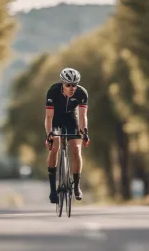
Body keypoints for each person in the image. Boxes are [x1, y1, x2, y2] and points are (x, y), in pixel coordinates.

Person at [45, 67, 90, 204]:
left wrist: (85, 132)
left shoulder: (82, 93)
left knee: (76, 149)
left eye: (74, 85)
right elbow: (48, 117)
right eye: (68, 85)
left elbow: (83, 116)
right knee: (55, 147)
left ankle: (76, 186)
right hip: (55, 119)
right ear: (62, 84)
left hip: (72, 118)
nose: (71, 88)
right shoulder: (53, 91)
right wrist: (49, 135)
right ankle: (53, 189)